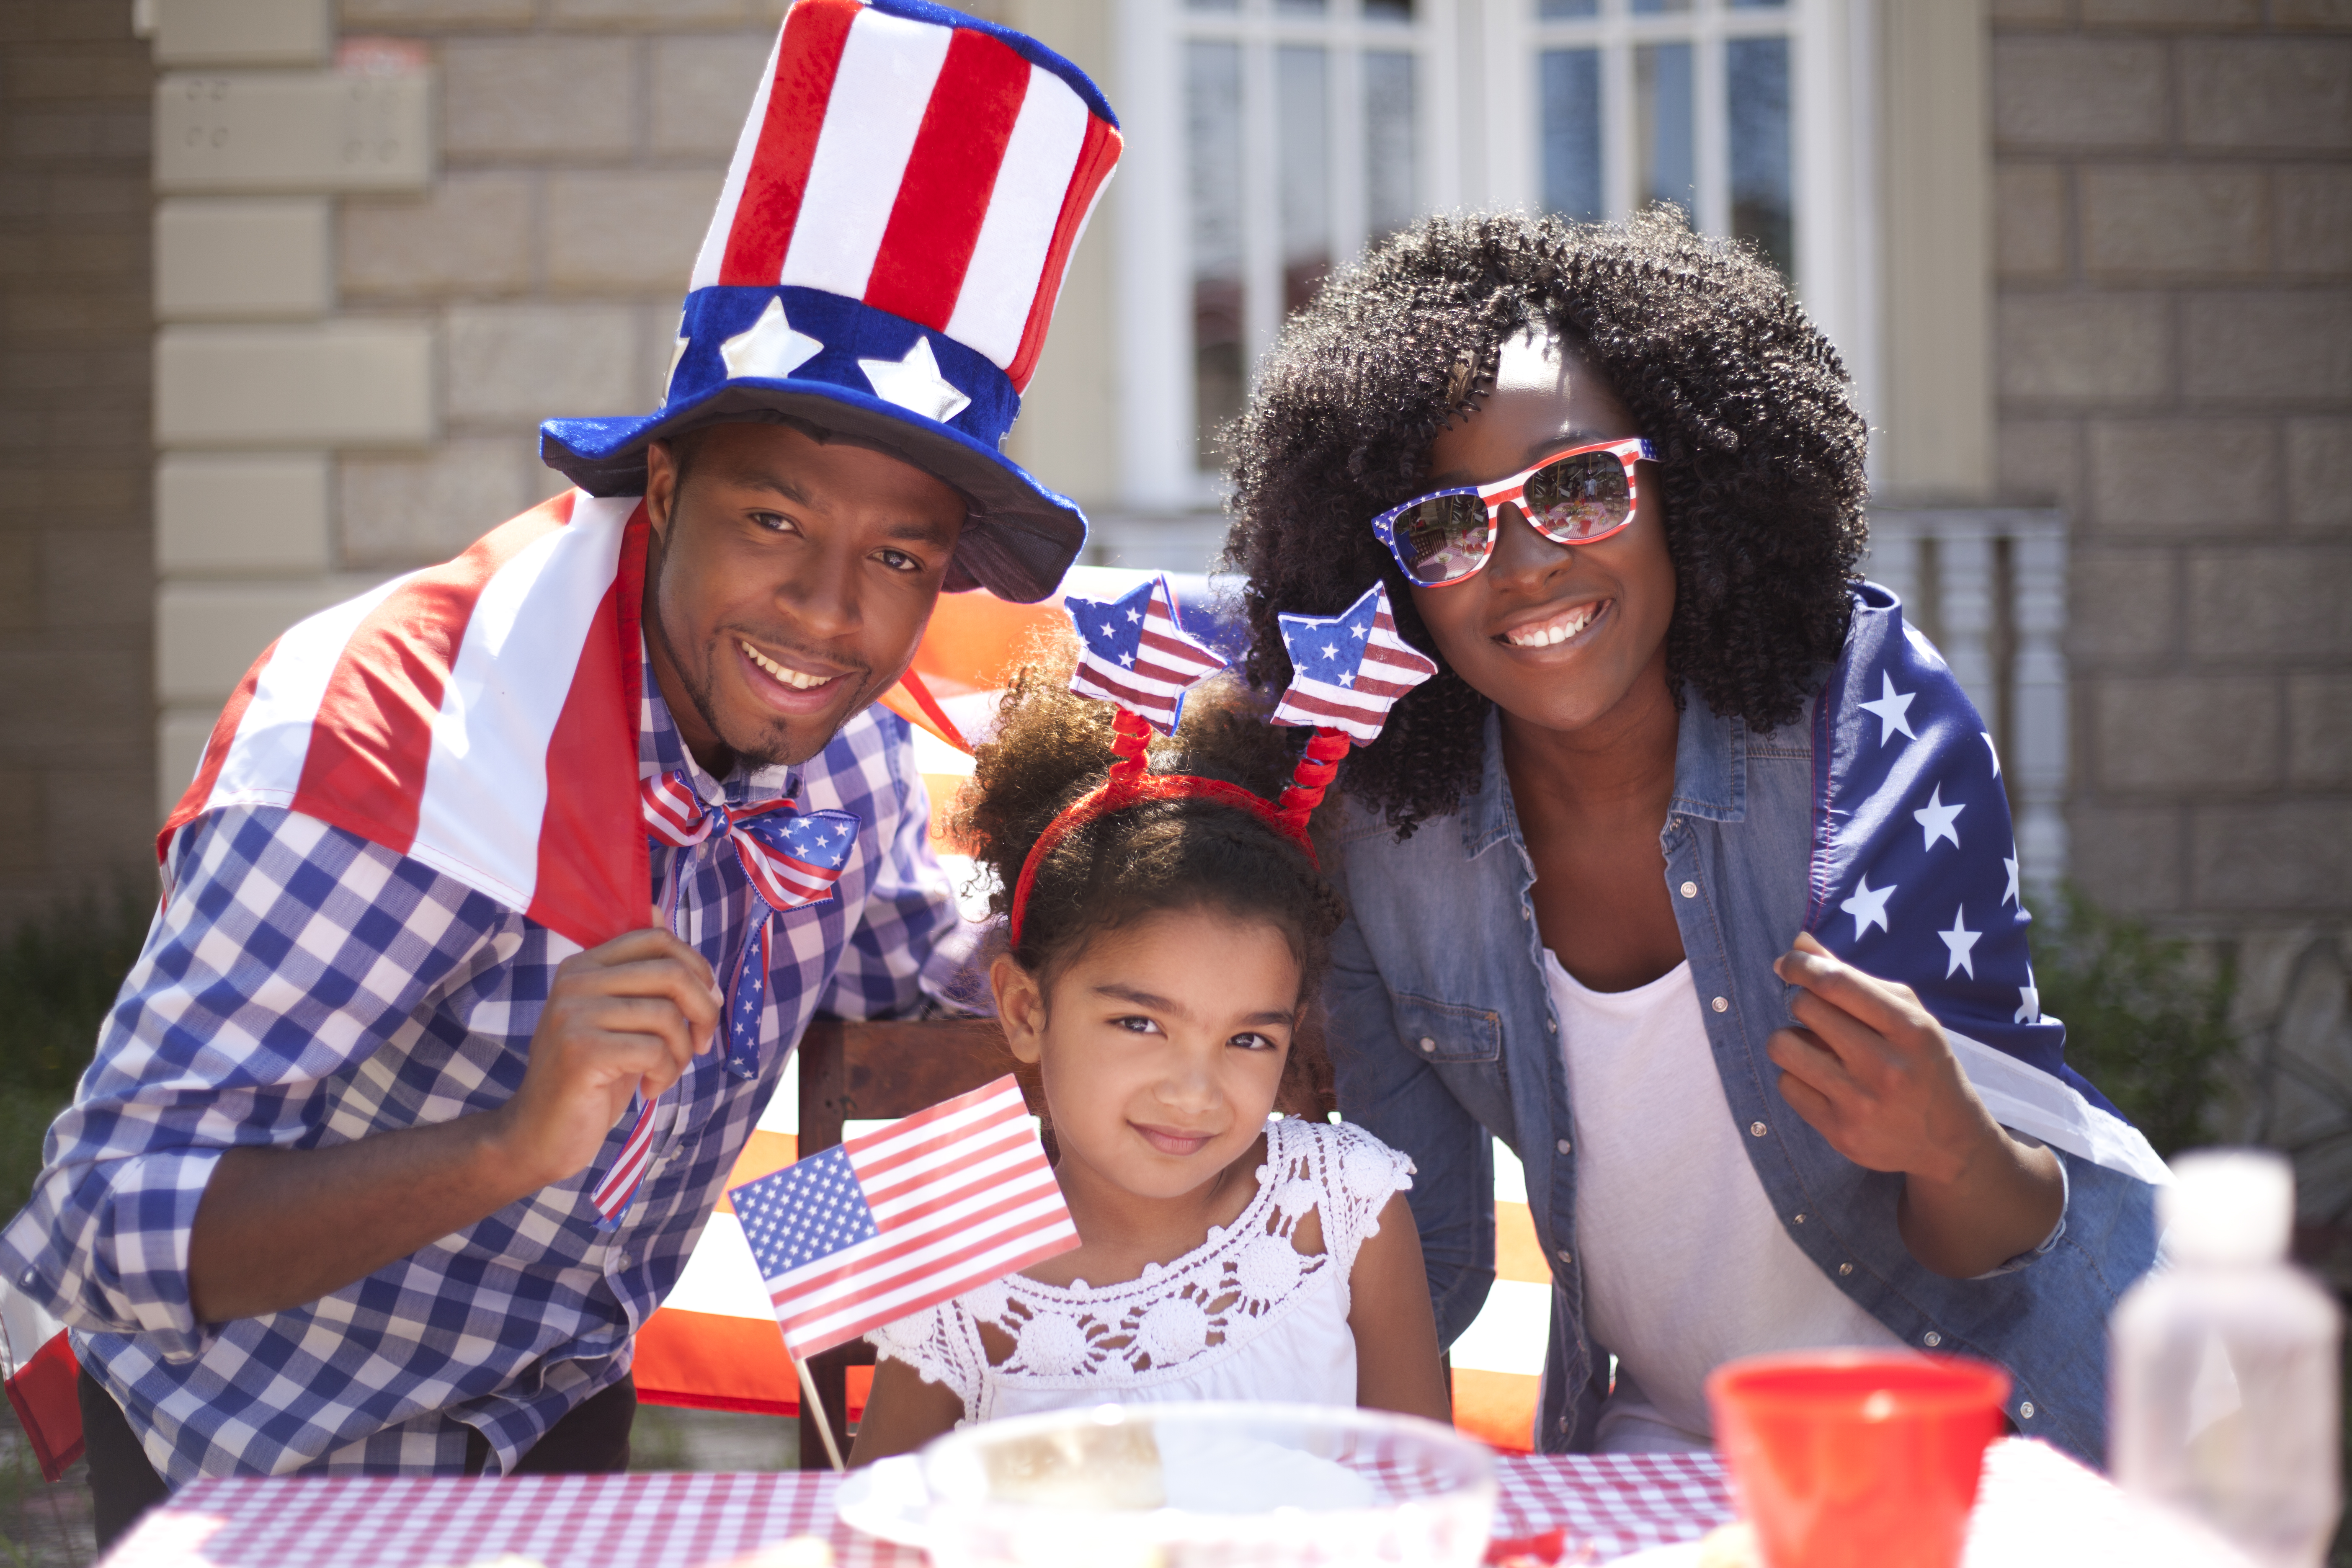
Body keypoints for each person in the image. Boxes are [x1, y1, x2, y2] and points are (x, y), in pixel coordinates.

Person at [0, 0, 1122, 1542]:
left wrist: (897, 1415)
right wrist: (508, 1146)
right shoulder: (381, 751)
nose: (827, 612)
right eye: (775, 522)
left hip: (568, 1424)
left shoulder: (848, 759)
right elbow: (97, 1227)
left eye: (899, 555)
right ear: (661, 487)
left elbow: (926, 1004)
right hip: (258, 1471)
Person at [1222, 211, 2163, 1468]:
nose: (1522, 566)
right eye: (1450, 526)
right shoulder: (1386, 843)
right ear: (1390, 579)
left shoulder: (1860, 732)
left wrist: (1946, 1142)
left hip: (1999, 1418)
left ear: (1689, 489)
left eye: (1575, 486)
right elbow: (1429, 1271)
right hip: (1677, 1450)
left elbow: (1992, 1238)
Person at [848, 650, 1452, 1462]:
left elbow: (1423, 1492)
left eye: (1247, 1039)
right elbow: (880, 1523)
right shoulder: (958, 1247)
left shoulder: (1345, 1206)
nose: (1195, 1092)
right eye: (1140, 1024)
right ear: (1028, 1010)